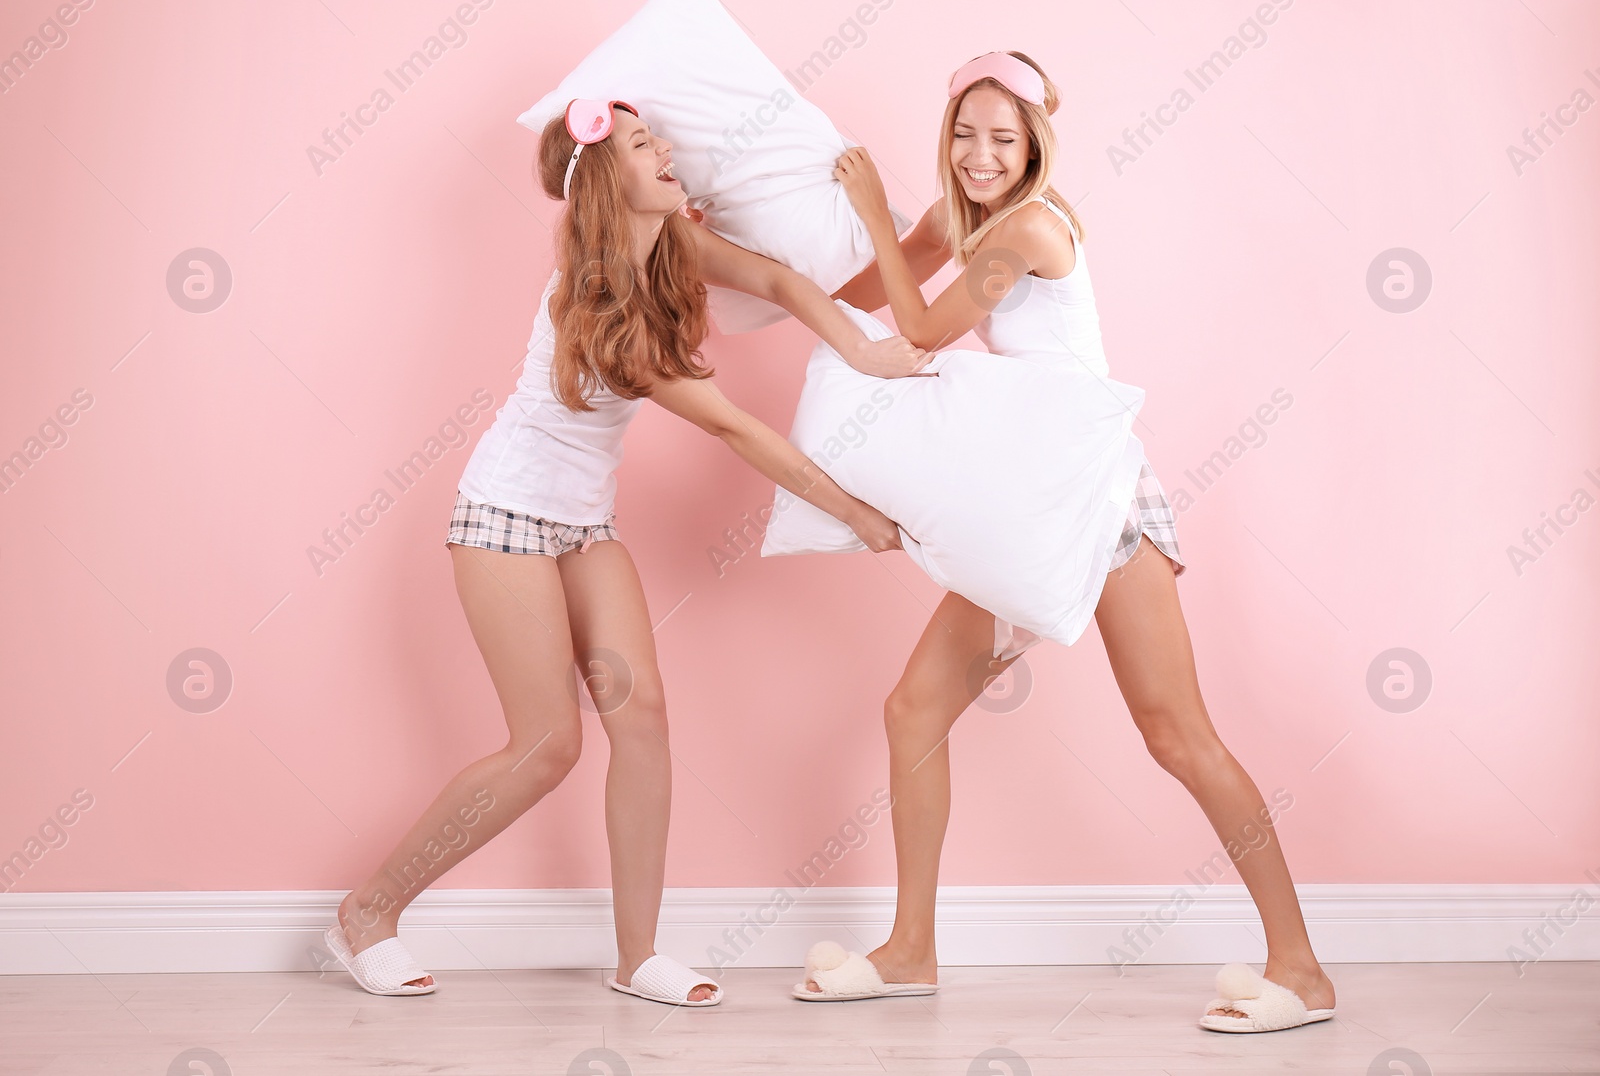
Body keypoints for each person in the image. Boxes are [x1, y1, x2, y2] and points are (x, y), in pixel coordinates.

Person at [324, 98, 925, 1004]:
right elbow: (732, 429)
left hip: (584, 525)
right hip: (504, 518)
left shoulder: (676, 247)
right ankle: (364, 914)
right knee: (548, 744)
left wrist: (861, 348)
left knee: (641, 719)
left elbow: (786, 285)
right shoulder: (597, 304)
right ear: (611, 179)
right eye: (646, 145)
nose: (669, 150)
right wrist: (855, 511)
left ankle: (637, 955)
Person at [793, 52, 1336, 1033]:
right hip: (1026, 507)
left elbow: (917, 327)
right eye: (964, 133)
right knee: (913, 709)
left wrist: (874, 201)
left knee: (1175, 732)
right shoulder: (967, 223)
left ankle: (1301, 969)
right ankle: (909, 949)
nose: (979, 153)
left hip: (1101, 503)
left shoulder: (1035, 229)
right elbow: (878, 291)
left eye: (1003, 137)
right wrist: (755, 263)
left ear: (1036, 143)